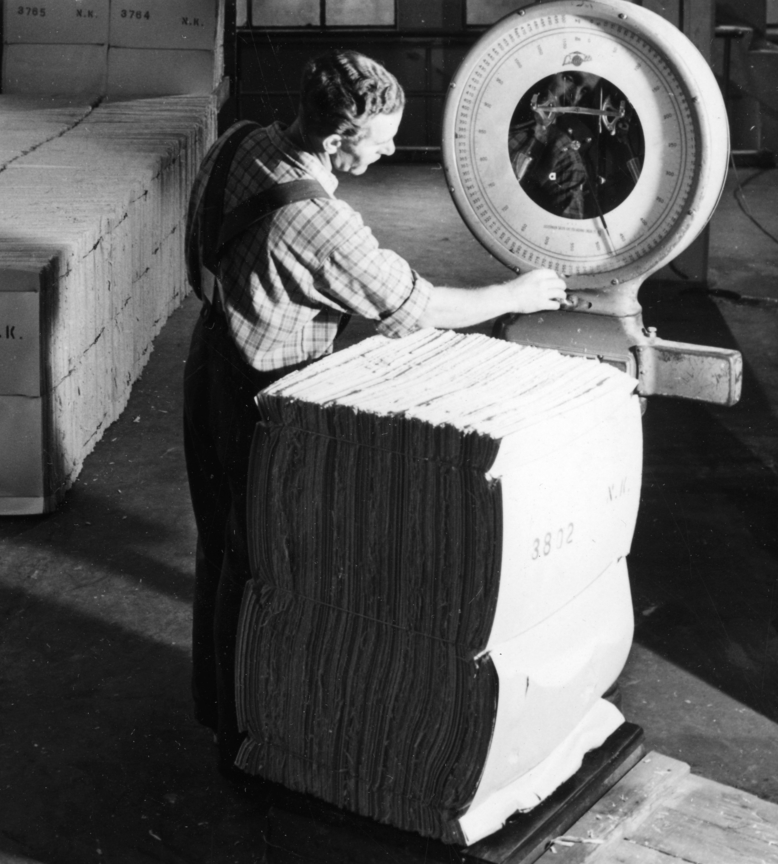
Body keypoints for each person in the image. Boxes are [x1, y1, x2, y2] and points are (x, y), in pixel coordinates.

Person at [182, 49, 568, 776]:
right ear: (335, 141)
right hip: (260, 392)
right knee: (259, 562)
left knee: (220, 545)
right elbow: (417, 307)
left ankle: (217, 705)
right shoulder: (321, 224)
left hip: (209, 359)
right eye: (381, 140)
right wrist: (514, 295)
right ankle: (246, 736)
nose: (390, 151)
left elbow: (199, 246)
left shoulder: (238, 141)